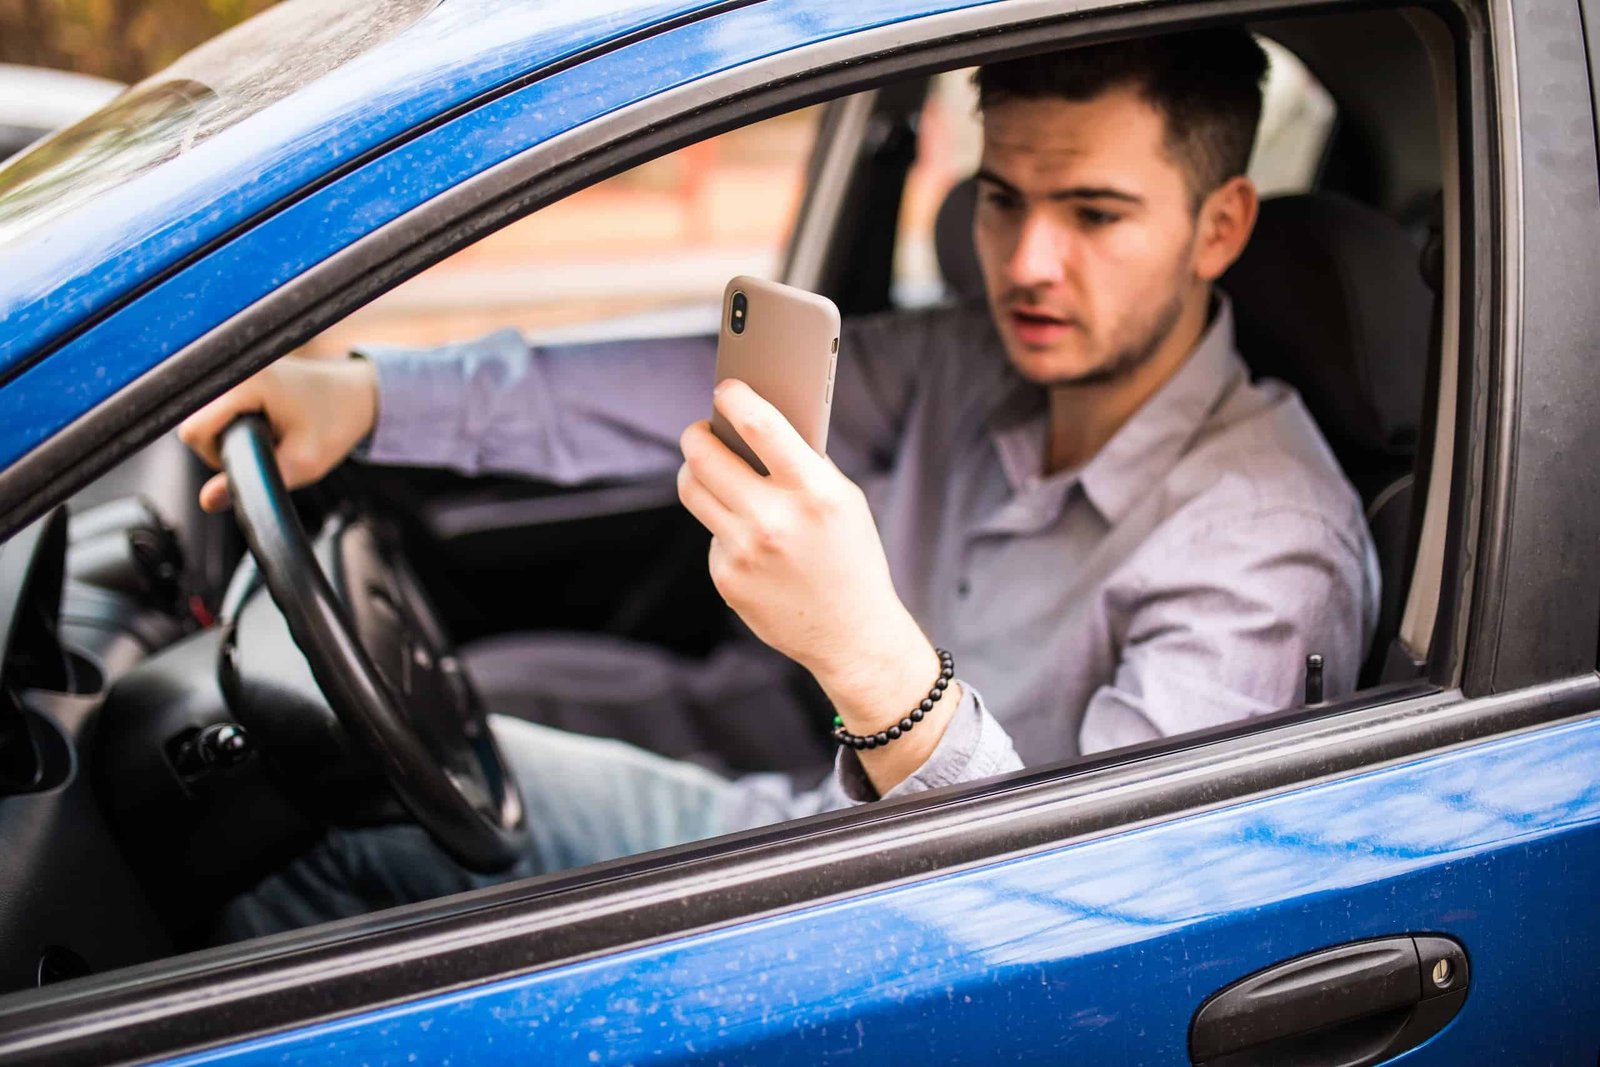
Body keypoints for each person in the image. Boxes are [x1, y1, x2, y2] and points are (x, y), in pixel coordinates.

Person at [179, 29, 1378, 935]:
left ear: (1219, 228)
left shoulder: (1262, 549)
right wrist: (370, 394)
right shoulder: (981, 361)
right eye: (1003, 199)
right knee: (384, 755)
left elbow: (1111, 928)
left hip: (887, 919)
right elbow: (660, 389)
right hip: (807, 797)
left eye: (1094, 213)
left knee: (326, 824)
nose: (1026, 261)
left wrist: (869, 658)